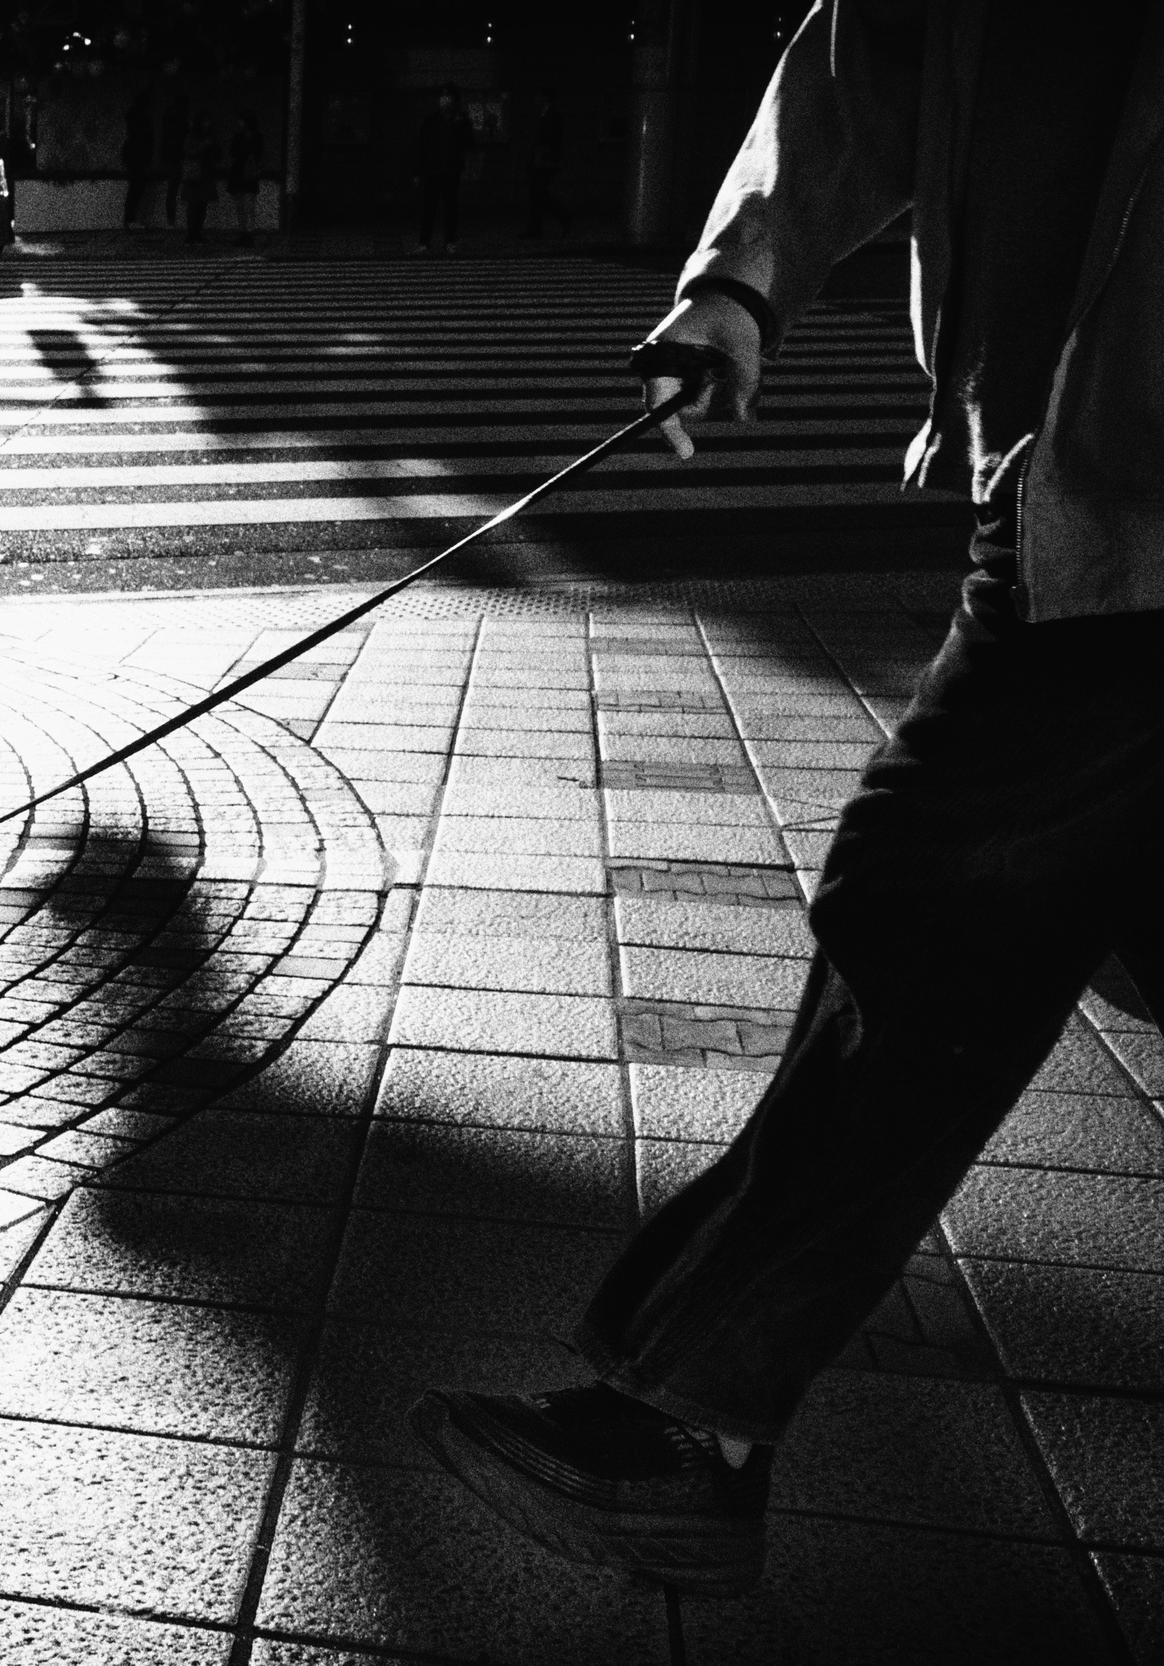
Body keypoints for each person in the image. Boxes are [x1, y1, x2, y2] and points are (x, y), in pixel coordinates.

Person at [414, 0, 1164, 1599]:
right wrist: (739, 280)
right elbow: (866, 52)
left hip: (1129, 520)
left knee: (928, 909)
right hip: (1059, 474)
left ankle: (683, 1418)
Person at [416, 83, 470, 254]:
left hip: (451, 171)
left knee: (450, 209)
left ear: (454, 100)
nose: (444, 100)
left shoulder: (460, 119)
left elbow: (470, 142)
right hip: (433, 170)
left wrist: (460, 124)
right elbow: (422, 145)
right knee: (429, 209)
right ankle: (424, 242)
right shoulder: (431, 119)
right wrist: (418, 170)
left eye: (447, 97)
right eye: (442, 97)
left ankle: (450, 241)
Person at [521, 87, 567, 238]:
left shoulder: (551, 115)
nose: (536, 99)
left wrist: (549, 160)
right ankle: (537, 228)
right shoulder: (546, 114)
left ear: (545, 98)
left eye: (538, 96)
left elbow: (554, 140)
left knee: (537, 194)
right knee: (537, 194)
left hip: (543, 161)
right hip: (541, 160)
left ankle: (562, 216)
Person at [179, 111, 219, 246]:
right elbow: (189, 152)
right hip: (195, 174)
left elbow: (218, 153)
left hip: (206, 173)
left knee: (202, 205)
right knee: (193, 205)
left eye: (208, 120)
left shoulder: (210, 136)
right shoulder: (192, 136)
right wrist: (205, 145)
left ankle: (197, 233)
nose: (208, 123)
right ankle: (191, 234)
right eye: (205, 121)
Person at [226, 109, 262, 247]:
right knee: (242, 204)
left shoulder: (247, 137)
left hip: (243, 170)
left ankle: (247, 232)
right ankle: (245, 232)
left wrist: (243, 153)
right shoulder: (246, 137)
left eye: (241, 120)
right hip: (243, 171)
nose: (239, 122)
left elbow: (234, 152)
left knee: (247, 204)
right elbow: (233, 151)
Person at [121, 87, 155, 227]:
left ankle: (130, 219)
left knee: (135, 188)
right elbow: (143, 139)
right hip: (137, 156)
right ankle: (130, 219)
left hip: (134, 155)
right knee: (137, 188)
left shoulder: (133, 117)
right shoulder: (141, 120)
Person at [157, 92, 189, 227]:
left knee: (172, 189)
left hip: (171, 156)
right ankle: (176, 219)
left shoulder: (169, 118)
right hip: (177, 156)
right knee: (179, 187)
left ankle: (172, 220)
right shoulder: (181, 119)